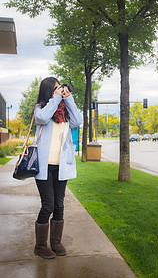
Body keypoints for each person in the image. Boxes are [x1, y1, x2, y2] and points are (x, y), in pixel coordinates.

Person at [33, 77, 82, 259]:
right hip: (43, 166)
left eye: (60, 88)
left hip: (61, 167)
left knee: (59, 205)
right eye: (56, 88)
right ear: (48, 91)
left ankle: (56, 242)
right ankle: (40, 246)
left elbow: (78, 121)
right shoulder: (40, 108)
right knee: (48, 205)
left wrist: (68, 98)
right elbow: (43, 118)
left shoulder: (66, 112)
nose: (60, 90)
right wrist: (55, 98)